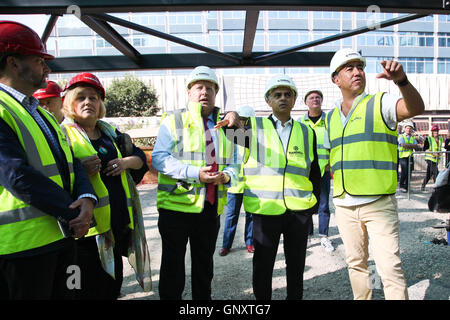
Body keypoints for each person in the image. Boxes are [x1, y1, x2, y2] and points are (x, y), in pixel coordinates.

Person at [0, 21, 97, 299]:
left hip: (59, 236)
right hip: (23, 247)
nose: (47, 68)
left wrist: (87, 199)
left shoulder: (40, 113)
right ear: (13, 64)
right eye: (39, 60)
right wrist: (74, 213)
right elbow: (16, 175)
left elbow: (71, 162)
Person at [325, 48, 424, 300]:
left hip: (378, 203)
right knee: (356, 265)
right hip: (345, 205)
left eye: (360, 67)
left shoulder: (381, 102)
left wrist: (401, 81)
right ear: (336, 79)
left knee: (389, 268)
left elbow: (415, 108)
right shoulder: (330, 118)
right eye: (349, 68)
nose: (357, 72)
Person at [152, 65, 241, 300]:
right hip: (175, 208)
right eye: (199, 87)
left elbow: (239, 159)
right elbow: (159, 158)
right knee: (173, 268)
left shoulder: (227, 124)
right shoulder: (173, 119)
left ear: (216, 93)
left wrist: (228, 176)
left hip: (209, 209)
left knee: (204, 267)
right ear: (189, 92)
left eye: (210, 88)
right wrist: (194, 173)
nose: (205, 92)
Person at [61, 72, 151, 299]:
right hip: (85, 234)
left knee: (111, 288)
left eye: (93, 98)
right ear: (70, 102)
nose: (88, 102)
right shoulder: (62, 134)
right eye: (81, 97)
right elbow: (55, 176)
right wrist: (79, 169)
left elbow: (140, 157)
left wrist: (125, 162)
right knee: (80, 290)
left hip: (114, 229)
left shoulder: (111, 134)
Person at [242, 75, 321, 300]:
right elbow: (226, 135)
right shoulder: (252, 127)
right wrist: (231, 116)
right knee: (263, 265)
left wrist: (312, 203)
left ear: (295, 100)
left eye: (288, 94)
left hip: (298, 210)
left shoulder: (307, 132)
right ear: (269, 101)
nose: (283, 98)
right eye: (277, 95)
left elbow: (314, 170)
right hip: (266, 208)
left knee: (296, 265)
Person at [300, 89, 334, 252]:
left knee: (324, 204)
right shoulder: (300, 123)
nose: (315, 99)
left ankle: (324, 236)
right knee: (306, 204)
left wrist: (331, 163)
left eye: (318, 97)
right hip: (306, 173)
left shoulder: (330, 120)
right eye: (311, 97)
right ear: (305, 102)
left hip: (324, 171)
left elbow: (336, 144)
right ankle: (306, 235)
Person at [219, 105, 255, 256]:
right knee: (231, 215)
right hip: (235, 183)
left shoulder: (255, 135)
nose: (244, 123)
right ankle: (226, 245)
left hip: (251, 184)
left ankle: (250, 242)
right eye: (242, 120)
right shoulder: (231, 134)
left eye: (246, 120)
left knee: (251, 215)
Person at [398, 121, 421, 192]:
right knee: (404, 171)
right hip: (403, 157)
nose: (409, 130)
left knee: (409, 172)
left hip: (410, 157)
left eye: (410, 128)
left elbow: (417, 147)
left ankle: (407, 187)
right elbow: (403, 145)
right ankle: (401, 186)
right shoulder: (401, 136)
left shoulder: (412, 138)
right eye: (407, 128)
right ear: (405, 129)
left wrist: (410, 146)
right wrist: (412, 146)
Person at [421, 124, 443, 191]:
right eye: (434, 131)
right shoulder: (428, 139)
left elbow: (439, 148)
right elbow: (425, 149)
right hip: (430, 158)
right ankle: (437, 188)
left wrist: (440, 152)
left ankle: (423, 186)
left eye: (437, 131)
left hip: (436, 159)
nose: (436, 132)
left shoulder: (440, 139)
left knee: (429, 174)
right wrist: (433, 153)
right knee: (436, 172)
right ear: (432, 132)